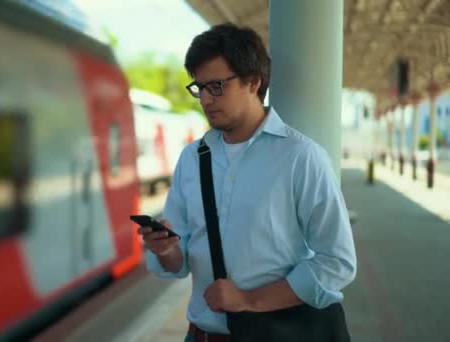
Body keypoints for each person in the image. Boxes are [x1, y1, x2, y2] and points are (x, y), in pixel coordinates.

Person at [137, 23, 356, 341]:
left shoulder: (301, 157)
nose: (206, 100)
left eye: (217, 86)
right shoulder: (192, 159)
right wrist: (164, 249)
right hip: (200, 335)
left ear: (253, 82)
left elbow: (337, 262)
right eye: (199, 88)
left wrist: (248, 300)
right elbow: (178, 262)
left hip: (277, 334)